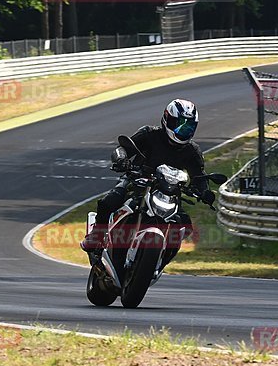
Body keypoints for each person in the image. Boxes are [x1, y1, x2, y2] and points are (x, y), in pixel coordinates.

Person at [80, 98, 215, 255]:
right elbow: (122, 149)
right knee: (109, 201)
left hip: (169, 193)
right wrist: (121, 160)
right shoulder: (149, 134)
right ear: (167, 119)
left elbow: (199, 175)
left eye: (187, 126)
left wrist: (204, 191)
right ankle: (96, 236)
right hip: (137, 181)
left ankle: (161, 258)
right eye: (179, 124)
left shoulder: (192, 151)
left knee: (185, 225)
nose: (182, 130)